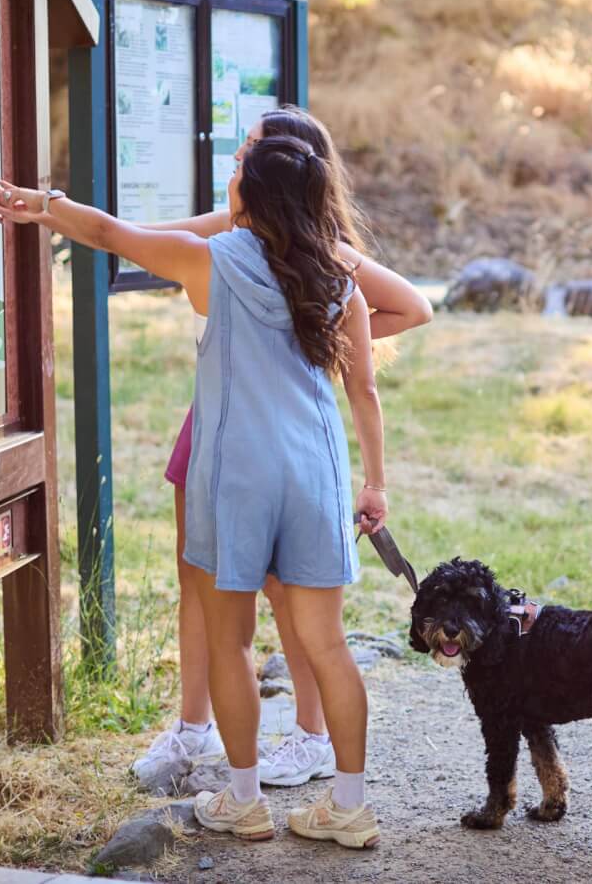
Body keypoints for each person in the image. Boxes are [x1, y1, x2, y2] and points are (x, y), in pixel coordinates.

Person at [0, 122, 393, 848]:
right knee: (327, 643)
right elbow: (364, 390)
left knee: (231, 641)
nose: (228, 180)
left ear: (252, 196)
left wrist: (41, 202)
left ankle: (244, 799)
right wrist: (376, 484)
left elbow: (108, 232)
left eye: (238, 172)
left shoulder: (209, 261)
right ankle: (351, 807)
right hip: (317, 472)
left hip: (235, 473)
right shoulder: (341, 279)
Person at [129, 108, 431, 791]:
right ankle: (193, 726)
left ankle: (309, 733)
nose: (238, 160)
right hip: (213, 420)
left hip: (273, 435)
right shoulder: (234, 223)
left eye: (249, 150)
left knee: (287, 595)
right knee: (195, 578)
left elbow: (414, 306)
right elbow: (146, 241)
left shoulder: (323, 250)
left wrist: (315, 341)